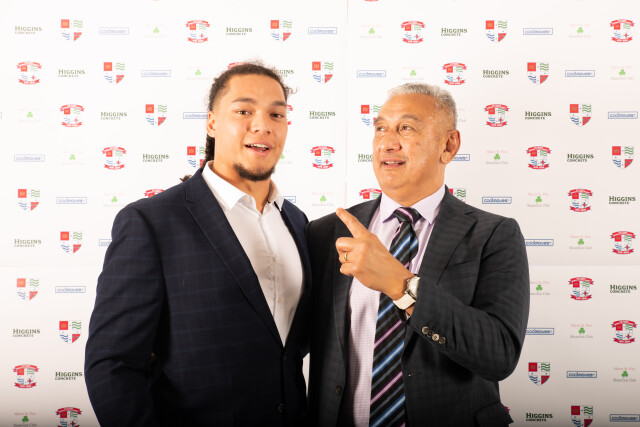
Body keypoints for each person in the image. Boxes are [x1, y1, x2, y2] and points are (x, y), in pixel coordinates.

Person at [85, 62, 311, 426]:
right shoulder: (151, 223)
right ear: (212, 124)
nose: (263, 125)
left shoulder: (297, 222)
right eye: (244, 111)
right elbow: (113, 365)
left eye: (276, 114)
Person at [307, 83, 529, 427]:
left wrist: (403, 285)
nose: (387, 142)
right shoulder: (327, 233)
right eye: (381, 128)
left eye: (406, 128)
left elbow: (499, 354)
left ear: (449, 145)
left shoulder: (494, 234)